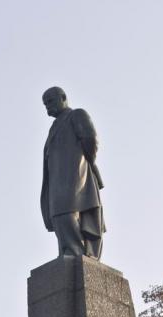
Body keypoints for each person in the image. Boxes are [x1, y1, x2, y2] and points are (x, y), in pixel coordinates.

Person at [41, 87, 105, 260]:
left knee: (67, 210)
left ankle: (75, 250)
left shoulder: (76, 115)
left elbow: (90, 139)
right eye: (45, 104)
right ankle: (68, 250)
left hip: (75, 174)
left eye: (51, 101)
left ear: (63, 97)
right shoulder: (54, 127)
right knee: (58, 214)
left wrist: (86, 162)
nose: (48, 107)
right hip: (57, 179)